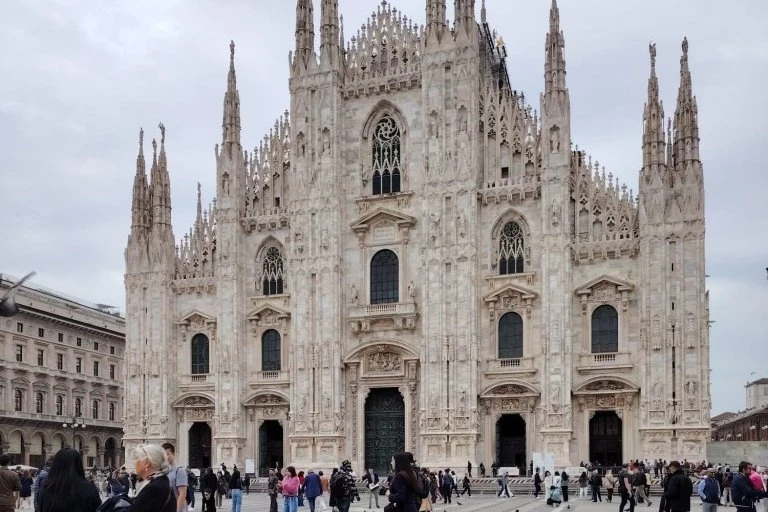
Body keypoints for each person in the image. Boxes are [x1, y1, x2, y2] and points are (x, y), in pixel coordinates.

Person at [124, 444, 176, 512]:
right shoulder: (162, 480)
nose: (134, 462)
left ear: (147, 463)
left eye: (136, 459)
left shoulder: (153, 488)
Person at [161, 443, 188, 512]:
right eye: (164, 454)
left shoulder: (179, 470)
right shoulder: (161, 471)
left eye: (168, 454)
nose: (166, 457)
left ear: (173, 454)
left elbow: (182, 494)